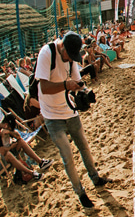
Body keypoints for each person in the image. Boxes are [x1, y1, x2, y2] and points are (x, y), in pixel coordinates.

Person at [35, 32, 110, 208]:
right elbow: (44, 87)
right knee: (67, 155)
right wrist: (65, 86)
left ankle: (95, 178)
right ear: (62, 47)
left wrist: (83, 90)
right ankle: (80, 193)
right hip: (52, 116)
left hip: (69, 110)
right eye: (70, 55)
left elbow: (77, 80)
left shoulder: (71, 58)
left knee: (84, 146)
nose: (71, 59)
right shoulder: (47, 54)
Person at [1, 113, 53, 183]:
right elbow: (3, 152)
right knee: (8, 154)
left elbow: (18, 136)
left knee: (20, 141)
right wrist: (11, 147)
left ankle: (41, 162)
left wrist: (10, 132)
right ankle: (32, 173)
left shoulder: (5, 129)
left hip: (8, 152)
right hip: (2, 162)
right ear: (5, 125)